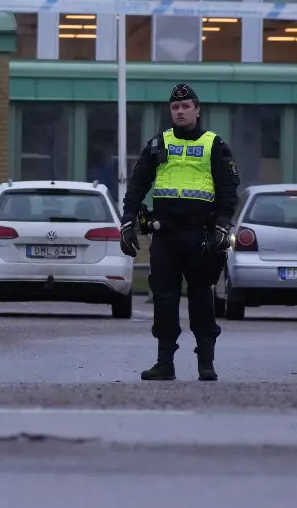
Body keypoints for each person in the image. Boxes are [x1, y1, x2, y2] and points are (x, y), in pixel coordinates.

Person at [119, 83, 240, 381]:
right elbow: (137, 185)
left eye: (186, 107)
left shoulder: (215, 144)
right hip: (166, 236)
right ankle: (164, 363)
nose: (180, 111)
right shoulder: (158, 144)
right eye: (175, 107)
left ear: (197, 110)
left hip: (201, 237)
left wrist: (223, 225)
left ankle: (206, 363)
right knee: (164, 299)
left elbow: (228, 189)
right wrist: (127, 220)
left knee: (201, 298)